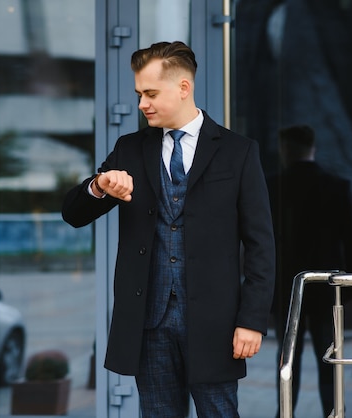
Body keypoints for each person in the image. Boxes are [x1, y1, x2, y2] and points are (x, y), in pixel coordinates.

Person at [61, 41, 275, 418]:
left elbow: (261, 245)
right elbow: (74, 214)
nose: (142, 103)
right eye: (139, 93)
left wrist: (252, 320)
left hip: (215, 324)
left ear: (183, 88)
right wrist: (98, 186)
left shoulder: (238, 151)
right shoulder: (128, 149)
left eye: (150, 93)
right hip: (149, 321)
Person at [267, 125, 352, 417]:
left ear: (286, 149)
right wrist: (351, 286)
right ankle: (333, 412)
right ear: (313, 148)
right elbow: (351, 241)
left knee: (287, 359)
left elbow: (263, 241)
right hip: (327, 289)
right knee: (328, 358)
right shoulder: (337, 185)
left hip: (286, 286)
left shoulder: (273, 186)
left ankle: (285, 412)